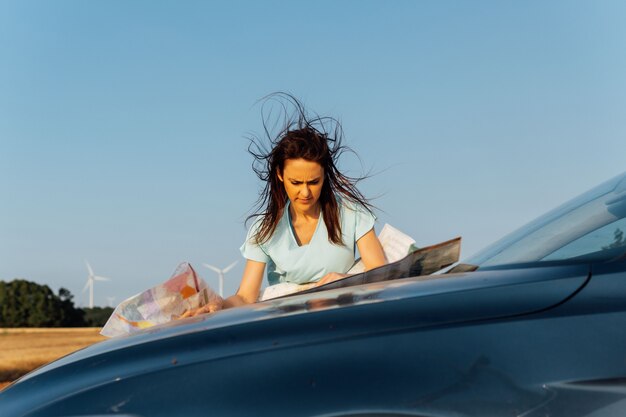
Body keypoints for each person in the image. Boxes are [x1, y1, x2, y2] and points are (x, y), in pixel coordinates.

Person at [182, 95, 386, 317]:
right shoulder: (264, 229)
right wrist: (217, 306)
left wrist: (346, 280)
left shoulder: (350, 212)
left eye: (314, 182)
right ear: (280, 175)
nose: (305, 192)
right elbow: (245, 296)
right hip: (288, 322)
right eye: (296, 183)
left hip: (343, 315)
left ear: (325, 175)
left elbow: (380, 273)